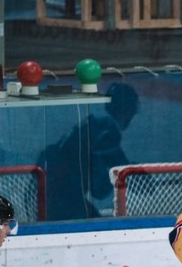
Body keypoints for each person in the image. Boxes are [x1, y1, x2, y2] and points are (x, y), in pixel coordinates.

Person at [39, 82, 140, 220]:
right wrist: (130, 176)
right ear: (128, 109)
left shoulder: (95, 124)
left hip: (54, 193)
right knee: (99, 227)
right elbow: (99, 189)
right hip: (60, 196)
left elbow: (114, 162)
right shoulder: (107, 129)